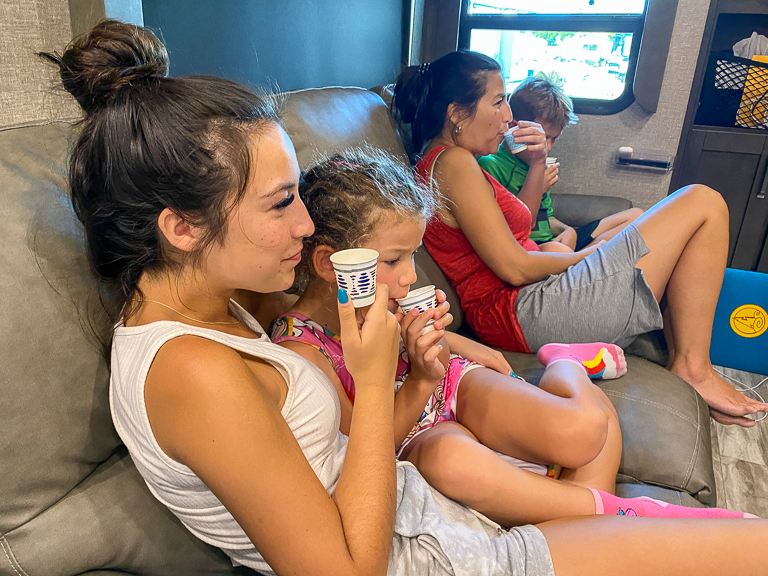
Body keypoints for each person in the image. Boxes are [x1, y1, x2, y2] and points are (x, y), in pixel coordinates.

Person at [44, 20, 768, 576]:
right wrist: (377, 371)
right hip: (433, 555)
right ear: (181, 228)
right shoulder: (189, 371)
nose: (306, 226)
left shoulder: (214, 303)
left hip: (430, 519)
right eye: (280, 202)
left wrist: (415, 344)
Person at [271, 149, 751, 526]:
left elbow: (436, 349)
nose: (410, 275)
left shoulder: (381, 299)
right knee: (448, 461)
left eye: (412, 255)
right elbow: (364, 451)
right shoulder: (303, 350)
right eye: (395, 259)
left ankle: (563, 363)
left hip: (453, 386)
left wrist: (450, 345)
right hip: (412, 436)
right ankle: (609, 514)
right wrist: (419, 379)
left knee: (581, 434)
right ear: (330, 264)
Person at [391, 49, 768, 428]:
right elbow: (515, 267)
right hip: (519, 310)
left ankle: (689, 362)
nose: (508, 115)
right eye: (499, 101)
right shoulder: (452, 163)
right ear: (457, 113)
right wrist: (588, 255)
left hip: (528, 299)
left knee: (688, 213)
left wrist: (539, 165)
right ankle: (693, 367)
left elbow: (519, 229)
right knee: (703, 202)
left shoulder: (456, 162)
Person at [477, 74, 643, 253]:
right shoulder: (492, 165)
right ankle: (584, 259)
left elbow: (546, 217)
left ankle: (583, 258)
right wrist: (537, 186)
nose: (548, 147)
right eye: (543, 137)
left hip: (552, 241)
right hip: (531, 247)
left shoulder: (536, 162)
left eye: (553, 139)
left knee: (637, 217)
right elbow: (514, 227)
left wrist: (566, 229)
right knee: (558, 250)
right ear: (513, 128)